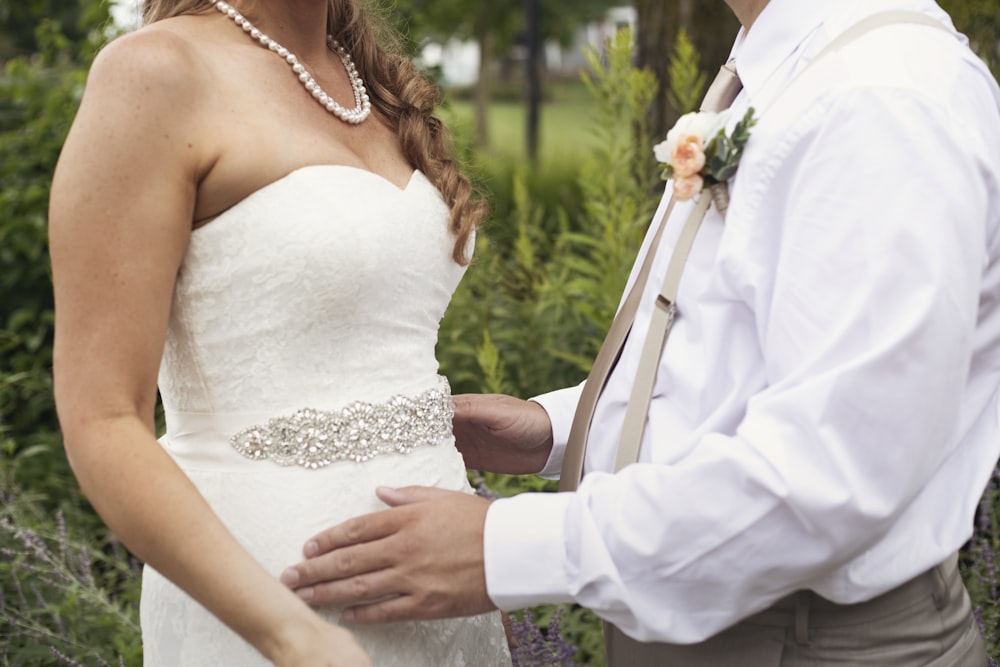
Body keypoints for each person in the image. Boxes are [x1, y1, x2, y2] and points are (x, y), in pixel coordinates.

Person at [280, 0, 1000, 664]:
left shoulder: (879, 99)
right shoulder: (790, 67)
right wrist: (562, 429)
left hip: (805, 640)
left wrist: (506, 547)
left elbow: (832, 472)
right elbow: (739, 355)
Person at [48, 0, 513, 665]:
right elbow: (101, 417)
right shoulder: (154, 74)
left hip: (448, 603)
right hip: (272, 607)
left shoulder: (370, 83)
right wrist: (292, 635)